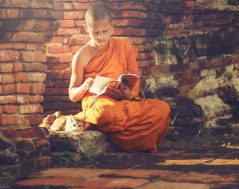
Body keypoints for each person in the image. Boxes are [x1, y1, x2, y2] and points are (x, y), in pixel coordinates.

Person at [69, 4, 170, 153]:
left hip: (123, 102)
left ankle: (108, 130)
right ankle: (130, 137)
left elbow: (134, 79)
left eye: (104, 31)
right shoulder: (81, 56)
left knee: (162, 109)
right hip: (99, 102)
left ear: (112, 27)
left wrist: (128, 95)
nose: (100, 36)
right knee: (106, 113)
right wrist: (84, 86)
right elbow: (72, 94)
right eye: (95, 32)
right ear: (86, 28)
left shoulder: (123, 46)